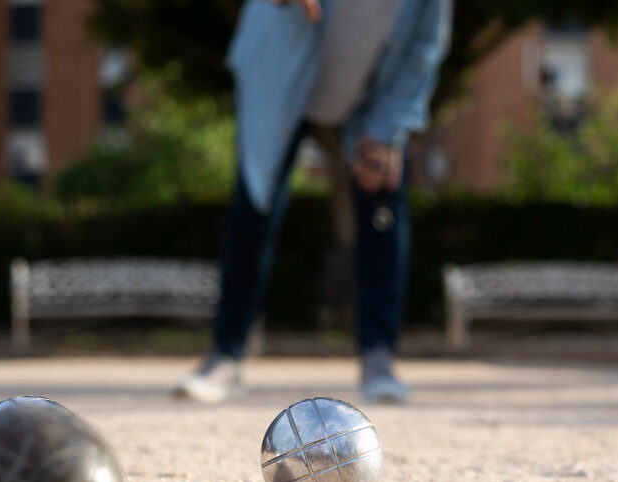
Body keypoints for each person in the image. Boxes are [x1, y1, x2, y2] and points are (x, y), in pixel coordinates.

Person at [177, 0, 451, 403]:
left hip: (368, 95)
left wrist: (387, 129)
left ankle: (378, 357)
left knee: (384, 210)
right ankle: (226, 355)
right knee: (253, 209)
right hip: (278, 79)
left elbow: (424, 48)